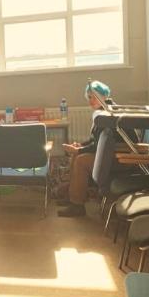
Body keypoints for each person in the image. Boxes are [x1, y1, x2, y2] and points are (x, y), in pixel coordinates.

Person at [58, 80, 112, 218]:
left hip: (114, 157)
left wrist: (80, 150)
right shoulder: (101, 112)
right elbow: (95, 140)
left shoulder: (108, 115)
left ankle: (77, 206)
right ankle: (73, 197)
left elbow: (101, 144)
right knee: (76, 156)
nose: (91, 101)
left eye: (94, 97)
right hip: (105, 152)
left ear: (104, 96)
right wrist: (80, 145)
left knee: (81, 160)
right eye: (89, 97)